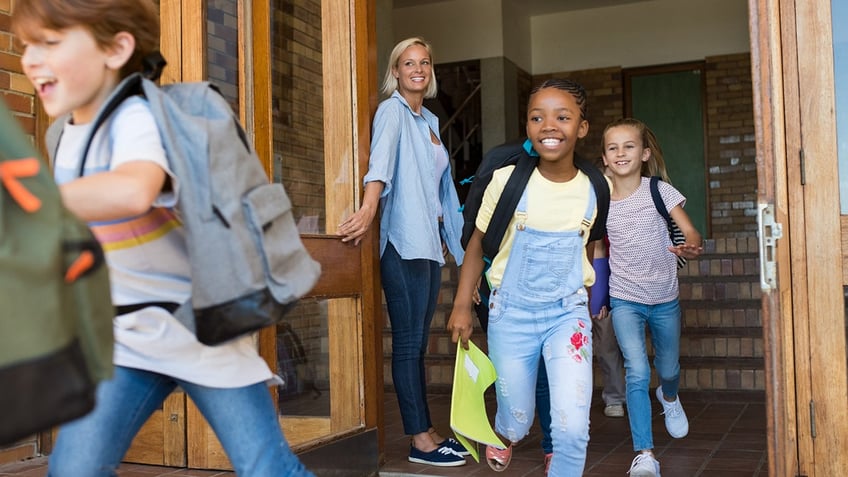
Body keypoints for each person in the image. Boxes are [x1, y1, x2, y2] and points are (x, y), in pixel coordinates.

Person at [13, 1, 313, 476]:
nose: (30, 59)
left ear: (116, 49)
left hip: (199, 331)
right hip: (124, 338)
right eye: (26, 45)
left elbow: (135, 188)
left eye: (49, 43)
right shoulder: (62, 135)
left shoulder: (136, 117)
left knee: (267, 467)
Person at [448, 78, 606, 476]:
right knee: (517, 418)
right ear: (528, 125)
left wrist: (589, 294)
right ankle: (502, 431)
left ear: (581, 127)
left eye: (562, 117)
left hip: (567, 315)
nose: (549, 126)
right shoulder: (507, 181)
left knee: (572, 426)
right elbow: (477, 247)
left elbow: (587, 246)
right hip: (511, 314)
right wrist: (462, 304)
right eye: (538, 117)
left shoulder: (594, 189)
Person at [337, 37, 467, 467]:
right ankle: (420, 441)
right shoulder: (393, 111)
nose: (417, 69)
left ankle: (427, 430)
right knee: (409, 343)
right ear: (395, 72)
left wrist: (459, 250)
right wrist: (369, 207)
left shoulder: (427, 119)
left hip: (428, 245)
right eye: (408, 63)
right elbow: (381, 162)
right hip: (402, 243)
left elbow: (442, 191)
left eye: (424, 63)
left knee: (418, 343)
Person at [601, 117, 703, 477]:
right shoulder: (600, 199)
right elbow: (597, 248)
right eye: (613, 147)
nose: (620, 153)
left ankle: (670, 397)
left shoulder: (659, 190)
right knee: (637, 371)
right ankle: (645, 454)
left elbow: (690, 230)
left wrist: (691, 244)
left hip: (663, 298)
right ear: (604, 157)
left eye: (628, 146)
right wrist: (597, 293)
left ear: (644, 153)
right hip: (625, 298)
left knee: (668, 369)